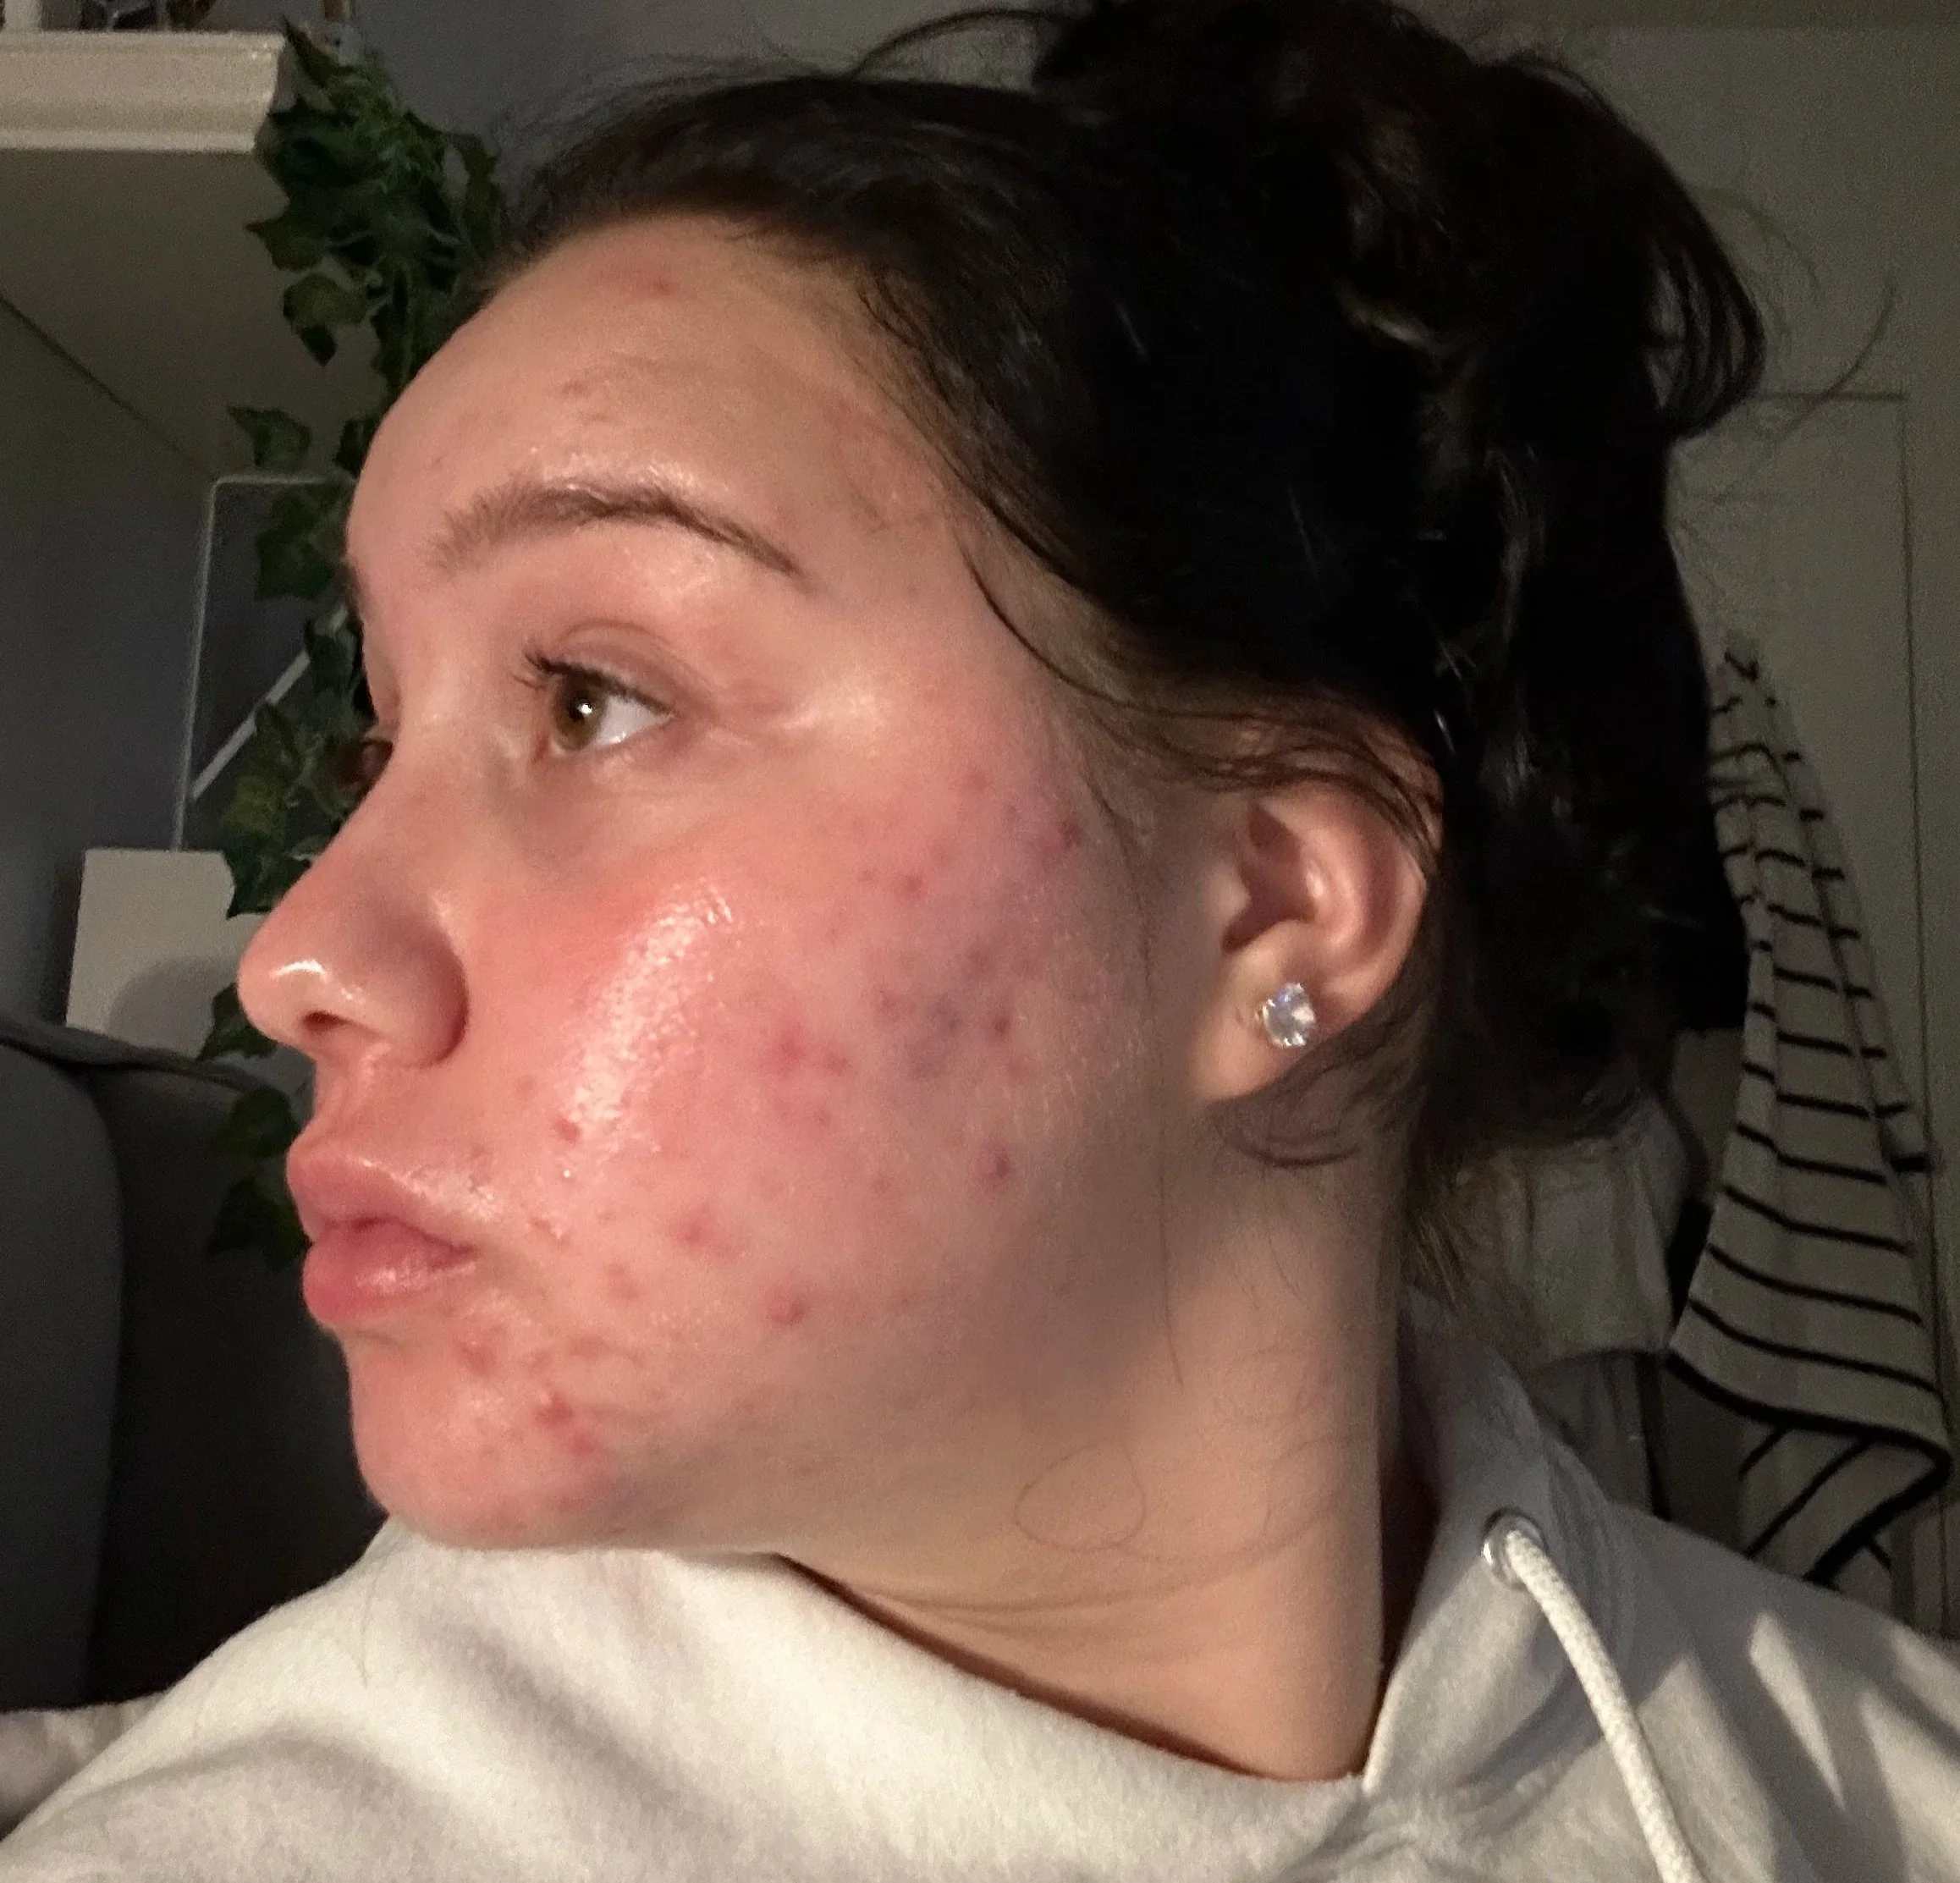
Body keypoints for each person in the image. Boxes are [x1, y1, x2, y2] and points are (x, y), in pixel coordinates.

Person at [4, 2, 1958, 1876]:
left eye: (593, 692)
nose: (300, 953)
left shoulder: (1883, 1791)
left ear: (1273, 905)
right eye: (381, 723)